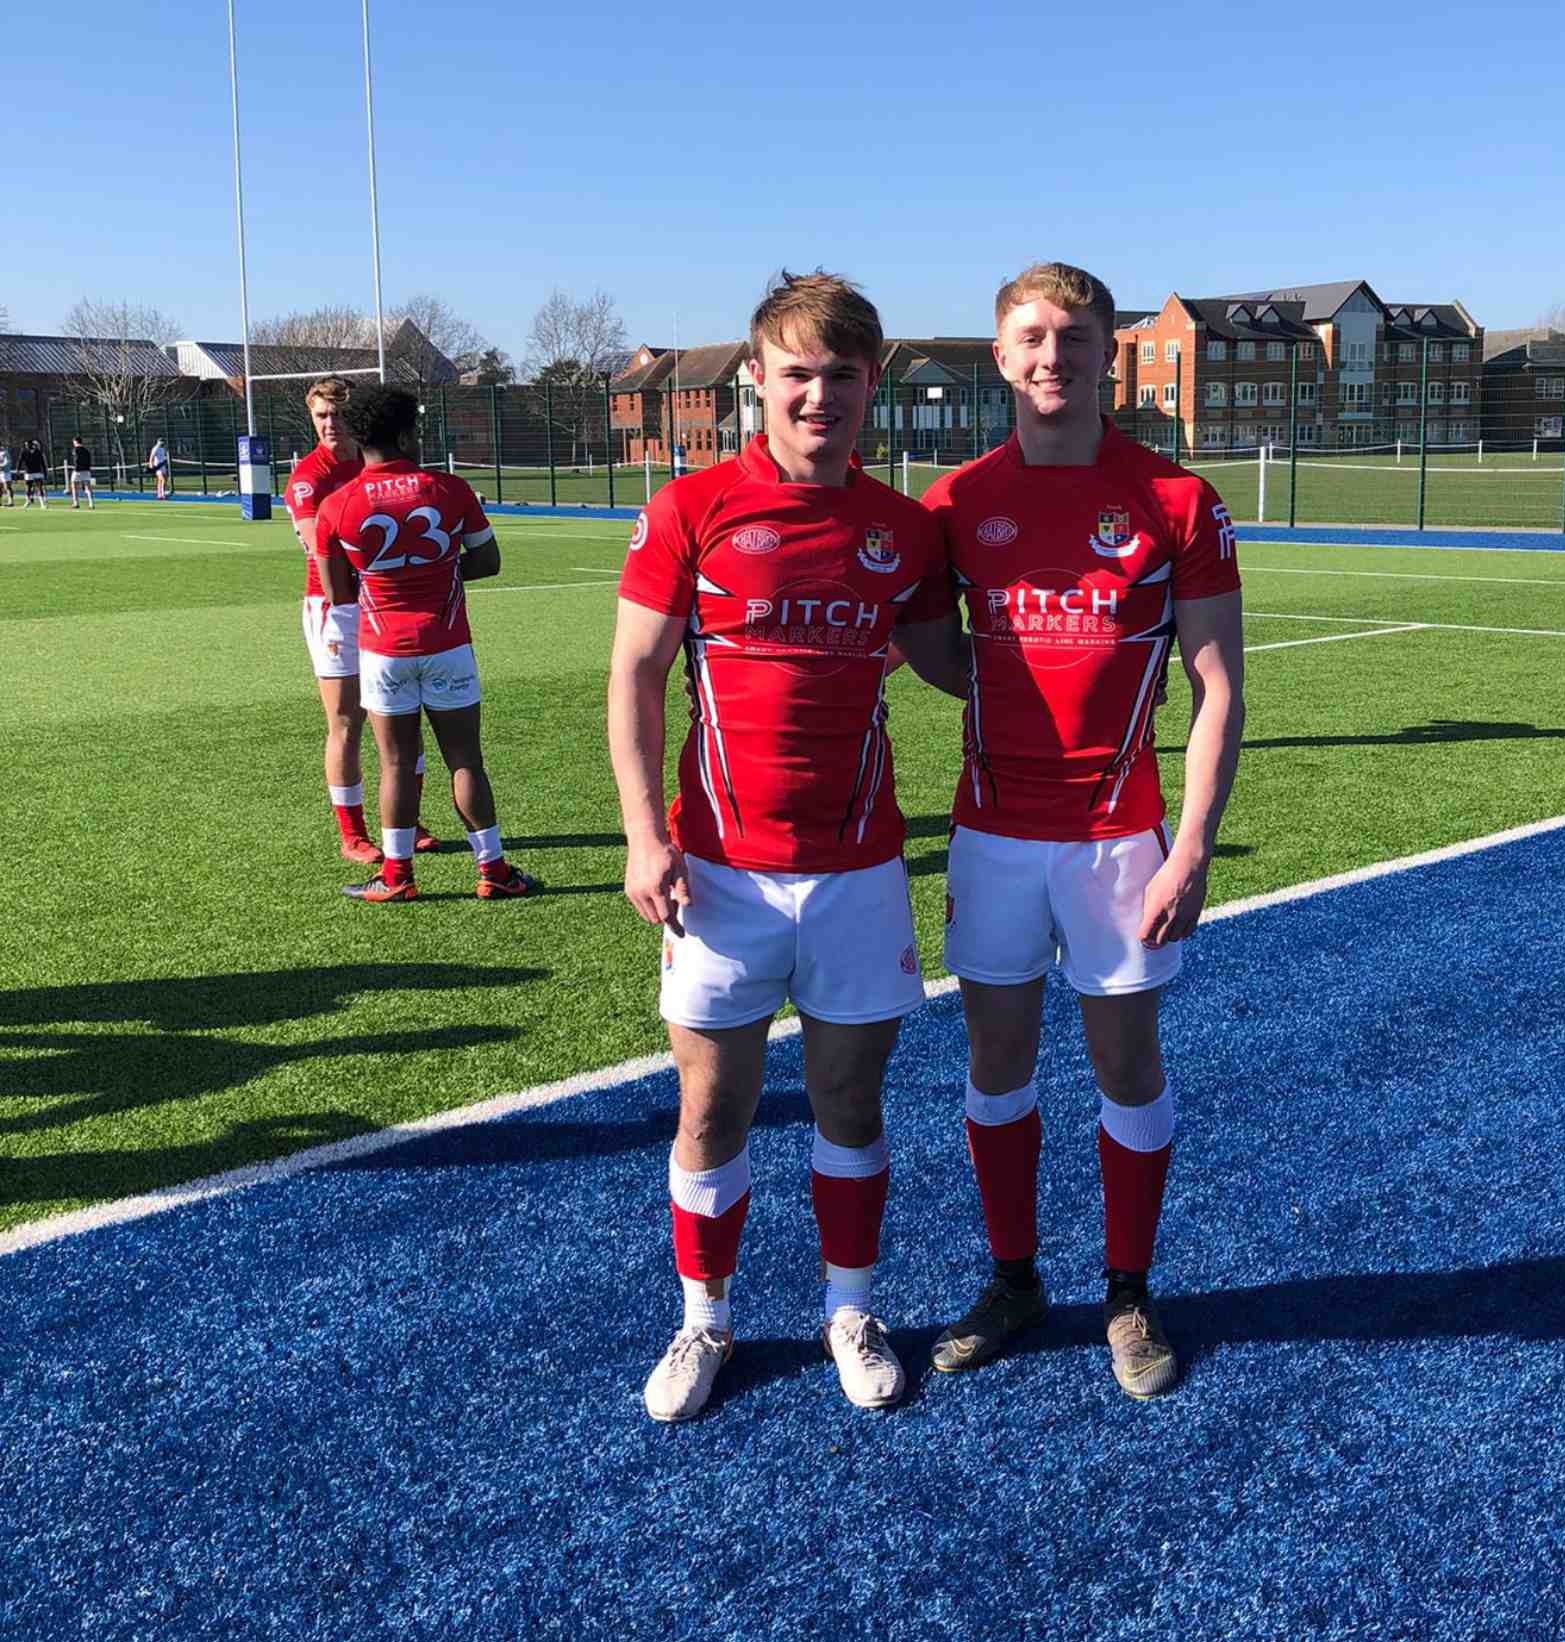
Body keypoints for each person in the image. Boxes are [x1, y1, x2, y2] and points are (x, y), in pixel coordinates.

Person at [607, 271, 961, 1423]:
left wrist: (1087, 642)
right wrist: (642, 831)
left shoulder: (903, 530)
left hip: (859, 868)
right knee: (710, 1110)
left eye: (842, 377)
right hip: (717, 873)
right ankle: (705, 1321)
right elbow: (638, 675)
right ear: (755, 378)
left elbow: (952, 661)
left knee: (850, 1104)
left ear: (872, 388)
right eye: (797, 373)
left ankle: (849, 1307)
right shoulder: (691, 509)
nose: (819, 396)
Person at [916, 261, 1245, 1399]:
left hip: (1122, 840)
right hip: (995, 835)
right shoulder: (956, 503)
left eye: (1075, 336)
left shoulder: (1176, 501)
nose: (1053, 355)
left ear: (1111, 354)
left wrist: (1195, 845)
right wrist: (999, 685)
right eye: (1031, 337)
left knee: (1125, 1062)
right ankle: (1014, 1280)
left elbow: (1218, 689)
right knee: (995, 1062)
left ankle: (1128, 1289)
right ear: (1000, 357)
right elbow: (927, 639)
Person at [314, 383, 538, 905]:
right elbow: (488, 562)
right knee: (465, 759)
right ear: (407, 433)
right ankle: (494, 870)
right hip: (448, 642)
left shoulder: (336, 505)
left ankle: (397, 877)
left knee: (395, 764)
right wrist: (439, 573)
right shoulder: (450, 490)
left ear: (357, 434)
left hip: (384, 651)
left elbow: (338, 592)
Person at [284, 375, 440, 864]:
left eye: (336, 414)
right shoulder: (308, 478)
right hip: (335, 610)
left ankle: (407, 819)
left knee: (398, 720)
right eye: (321, 416)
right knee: (347, 720)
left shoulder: (376, 465)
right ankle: (352, 833)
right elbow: (321, 547)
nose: (330, 425)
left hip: (385, 605)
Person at [66, 437, 96, 509]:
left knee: (74, 486)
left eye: (74, 442)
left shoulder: (75, 449)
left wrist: (76, 468)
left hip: (78, 470)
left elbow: (76, 460)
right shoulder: (86, 450)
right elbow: (89, 460)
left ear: (76, 442)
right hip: (86, 470)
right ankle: (91, 504)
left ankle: (76, 503)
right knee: (88, 487)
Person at [20, 440, 49, 508]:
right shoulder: (24, 452)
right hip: (28, 472)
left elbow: (43, 462)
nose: (27, 446)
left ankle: (42, 503)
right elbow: (20, 460)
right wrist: (18, 469)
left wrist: (45, 471)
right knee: (28, 488)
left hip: (38, 472)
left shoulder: (39, 452)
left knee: (40, 487)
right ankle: (28, 501)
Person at [0, 441, 13, 507]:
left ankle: (10, 502)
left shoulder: (5, 452)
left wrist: (1, 466)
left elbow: (8, 462)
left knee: (7, 487)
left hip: (5, 472)